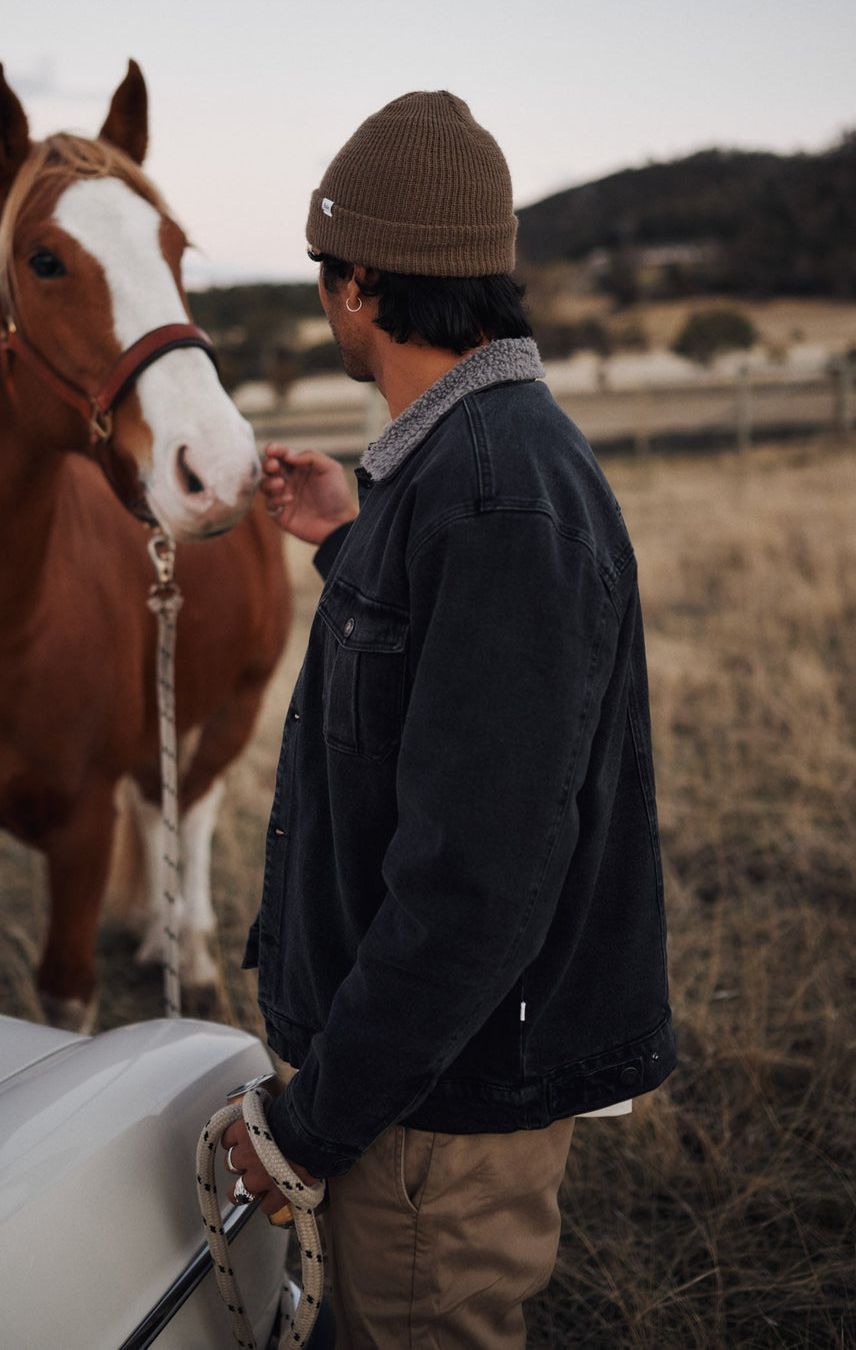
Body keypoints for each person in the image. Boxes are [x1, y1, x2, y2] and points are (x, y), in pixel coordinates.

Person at [223, 90, 675, 1349]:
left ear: (362, 283)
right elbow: (449, 685)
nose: (326, 298)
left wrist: (310, 1127)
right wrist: (352, 532)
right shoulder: (463, 469)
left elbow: (477, 880)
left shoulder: (496, 499)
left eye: (325, 269)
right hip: (409, 1086)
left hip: (436, 1119)